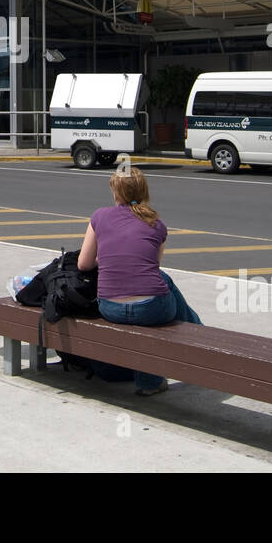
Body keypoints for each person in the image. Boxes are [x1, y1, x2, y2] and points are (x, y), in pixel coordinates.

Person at [78, 167, 203, 397]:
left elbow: (83, 265)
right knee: (164, 281)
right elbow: (152, 265)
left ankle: (152, 376)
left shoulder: (99, 216)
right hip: (152, 308)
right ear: (144, 191)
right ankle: (200, 337)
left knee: (158, 283)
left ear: (116, 193)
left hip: (110, 307)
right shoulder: (156, 223)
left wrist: (104, 257)